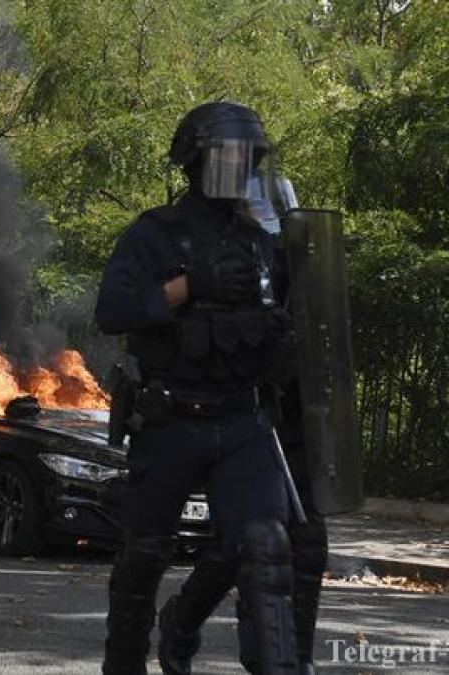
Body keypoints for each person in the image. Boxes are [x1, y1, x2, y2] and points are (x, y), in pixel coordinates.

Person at [96, 101, 300, 674]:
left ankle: (184, 624)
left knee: (264, 547)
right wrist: (187, 287)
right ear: (195, 162)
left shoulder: (263, 242)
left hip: (242, 421)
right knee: (143, 558)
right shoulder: (153, 235)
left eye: (247, 159)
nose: (237, 169)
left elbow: (286, 320)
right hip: (170, 418)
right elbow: (112, 311)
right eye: (225, 157)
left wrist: (282, 338)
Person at [157, 176, 326, 675]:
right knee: (247, 543)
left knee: (307, 545)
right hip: (240, 419)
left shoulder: (296, 269)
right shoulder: (215, 265)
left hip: (289, 419)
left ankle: (291, 660)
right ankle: (186, 624)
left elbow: (319, 337)